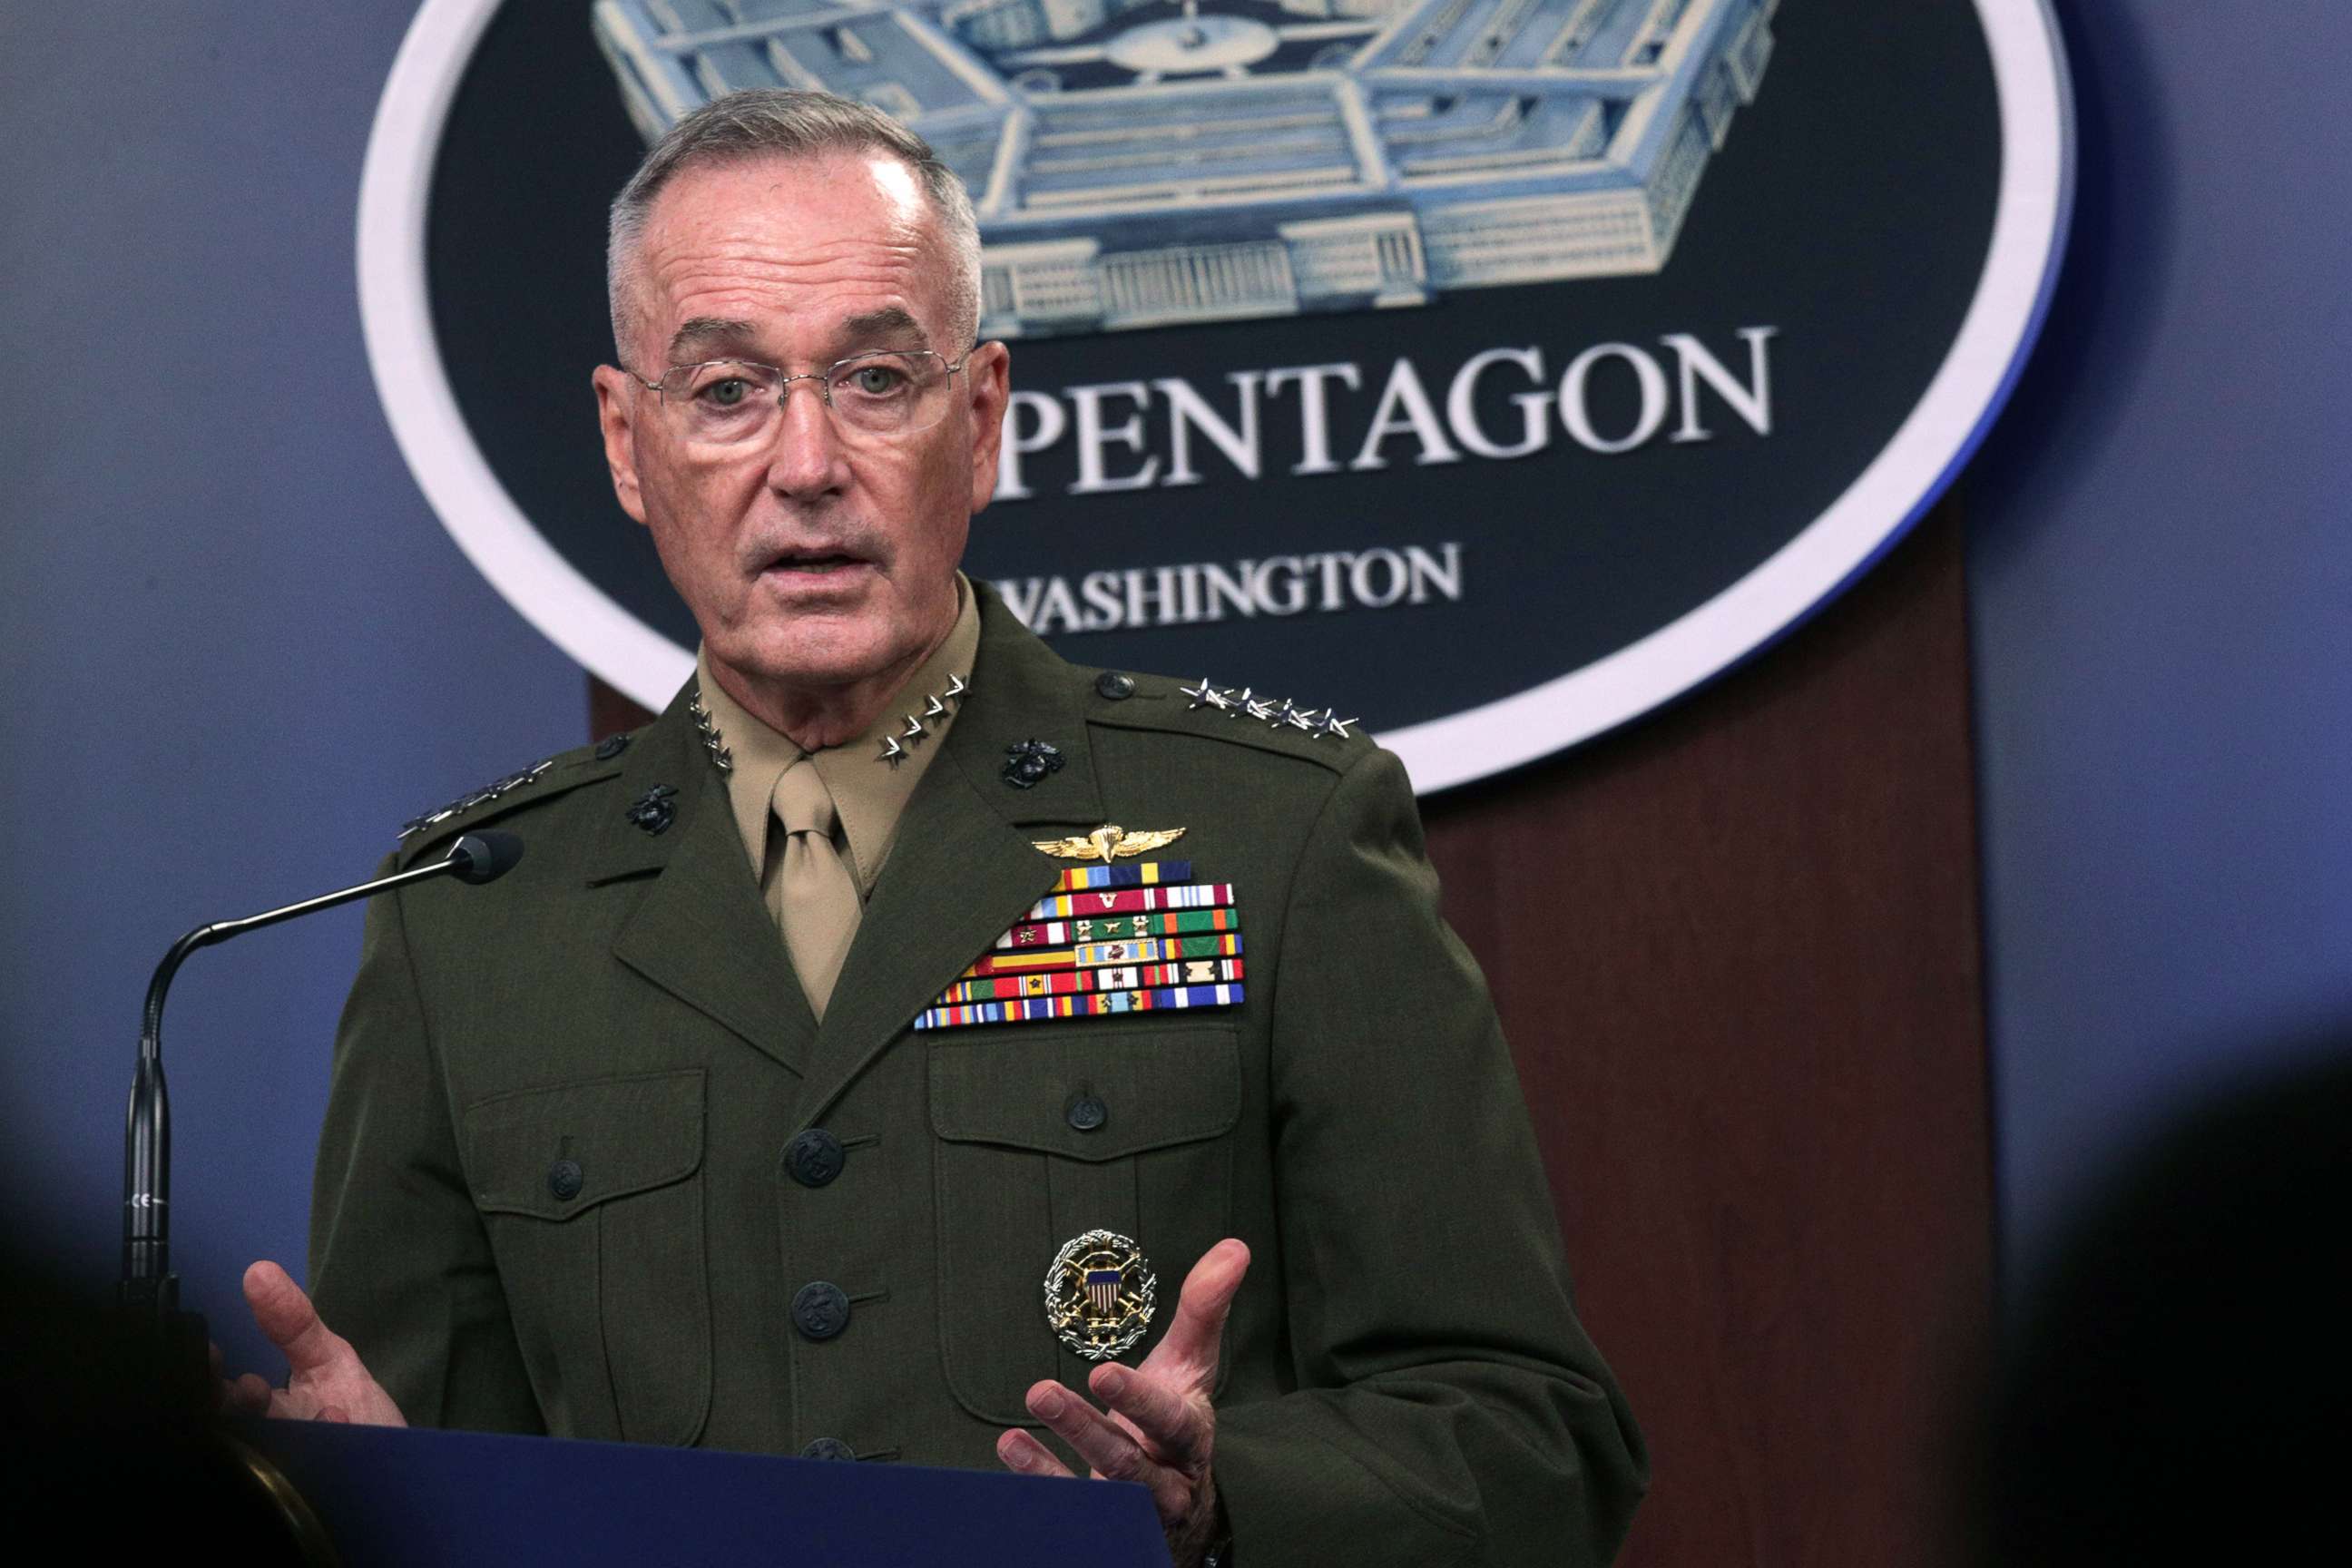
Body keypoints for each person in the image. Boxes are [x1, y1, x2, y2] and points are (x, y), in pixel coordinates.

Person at [229, 90, 1645, 1564]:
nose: (807, 464)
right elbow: (441, 1482)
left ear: (978, 421)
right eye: (725, 392)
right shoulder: (475, 913)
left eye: (877, 380)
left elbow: (1538, 1436)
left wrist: (1229, 1501)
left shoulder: (1272, 836)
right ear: (626, 442)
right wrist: (359, 1511)